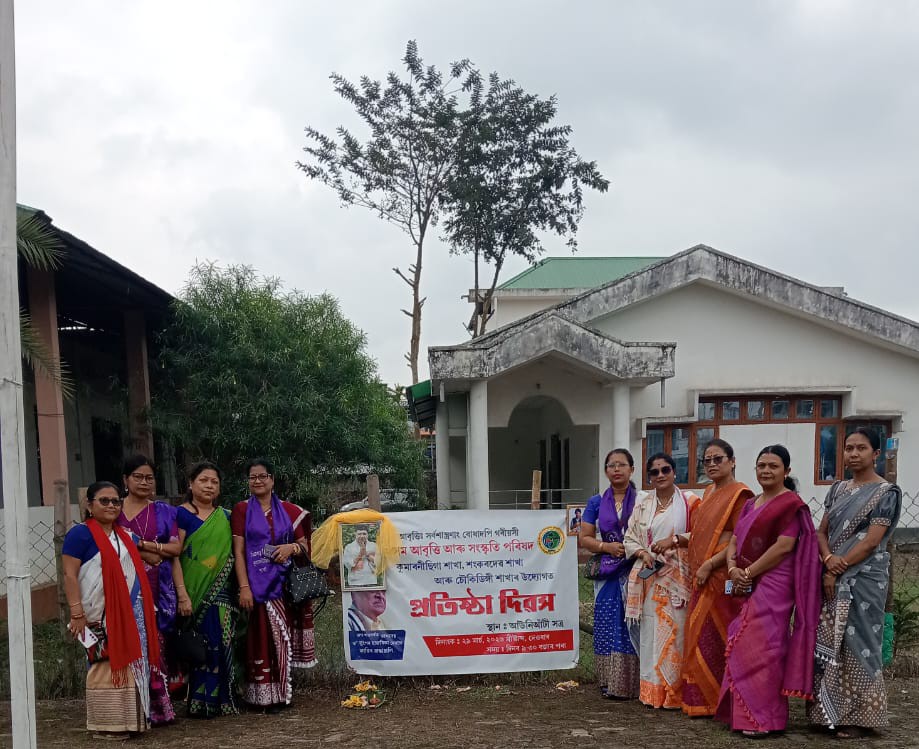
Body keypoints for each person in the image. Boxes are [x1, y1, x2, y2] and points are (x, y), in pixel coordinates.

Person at [716, 445, 821, 737]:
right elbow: (735, 540)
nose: (766, 471)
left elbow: (784, 546)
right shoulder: (752, 503)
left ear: (786, 471)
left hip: (775, 580)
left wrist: (748, 572)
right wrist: (733, 568)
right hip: (745, 576)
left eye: (773, 466)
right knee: (741, 639)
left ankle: (763, 719)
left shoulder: (790, 504)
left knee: (763, 646)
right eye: (761, 465)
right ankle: (744, 715)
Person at [808, 427, 902, 737]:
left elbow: (872, 541)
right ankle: (826, 713)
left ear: (875, 454)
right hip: (831, 574)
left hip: (864, 579)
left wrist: (838, 568)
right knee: (829, 641)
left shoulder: (886, 493)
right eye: (848, 448)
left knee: (860, 643)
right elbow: (821, 532)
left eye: (861, 448)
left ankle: (861, 717)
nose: (853, 454)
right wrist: (827, 560)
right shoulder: (837, 489)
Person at [62, 481, 161, 739]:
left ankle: (131, 722)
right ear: (89, 505)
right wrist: (76, 613)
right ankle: (107, 724)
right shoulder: (80, 535)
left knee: (132, 664)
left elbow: (153, 558)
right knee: (104, 664)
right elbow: (70, 575)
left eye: (116, 501)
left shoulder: (125, 536)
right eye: (104, 500)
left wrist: (156, 547)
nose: (111, 506)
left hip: (131, 613)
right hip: (97, 614)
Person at [232, 458, 317, 713]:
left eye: (262, 476)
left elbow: (304, 546)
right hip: (255, 586)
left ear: (272, 479)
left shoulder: (289, 511)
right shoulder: (242, 510)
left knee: (281, 638)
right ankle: (259, 697)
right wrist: (244, 587)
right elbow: (239, 552)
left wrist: (290, 548)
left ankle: (281, 695)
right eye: (252, 477)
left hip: (282, 587)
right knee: (257, 640)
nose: (257, 481)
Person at [681, 438, 755, 717]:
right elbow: (701, 533)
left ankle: (719, 701)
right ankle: (700, 699)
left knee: (718, 635)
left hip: (721, 574)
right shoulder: (709, 492)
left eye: (718, 459)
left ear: (732, 461)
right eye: (707, 460)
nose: (711, 464)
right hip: (701, 575)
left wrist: (709, 564)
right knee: (699, 635)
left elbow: (738, 539)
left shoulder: (741, 495)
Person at [624, 452, 699, 708]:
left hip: (678, 579)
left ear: (674, 472)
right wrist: (643, 553)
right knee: (651, 633)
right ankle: (652, 693)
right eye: (654, 472)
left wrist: (674, 541)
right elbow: (630, 538)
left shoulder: (690, 502)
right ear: (649, 477)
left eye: (665, 470)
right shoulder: (643, 504)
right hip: (650, 576)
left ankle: (674, 695)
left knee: (676, 634)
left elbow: (702, 533)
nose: (660, 475)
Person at [171, 461, 238, 718]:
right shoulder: (180, 515)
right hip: (191, 592)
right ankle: (198, 701)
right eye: (203, 480)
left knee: (221, 642)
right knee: (198, 646)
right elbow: (175, 556)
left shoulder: (227, 517)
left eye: (214, 482)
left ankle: (222, 699)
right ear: (190, 484)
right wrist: (182, 594)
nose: (209, 486)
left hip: (221, 593)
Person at [579, 448, 645, 699]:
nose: (616, 469)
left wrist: (632, 549)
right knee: (607, 622)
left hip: (636, 569)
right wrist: (606, 547)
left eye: (622, 464)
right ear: (606, 471)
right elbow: (584, 538)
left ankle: (636, 683)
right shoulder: (596, 502)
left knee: (634, 622)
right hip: (608, 571)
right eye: (611, 465)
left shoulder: (643, 501)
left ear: (632, 469)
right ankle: (611, 682)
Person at [116, 454, 178, 724]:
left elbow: (175, 548)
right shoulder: (112, 509)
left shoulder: (164, 511)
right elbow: (106, 542)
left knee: (154, 645)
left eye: (149, 478)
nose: (144, 482)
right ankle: (127, 708)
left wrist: (144, 545)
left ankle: (156, 709)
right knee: (125, 643)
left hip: (156, 588)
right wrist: (144, 553)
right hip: (119, 586)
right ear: (125, 480)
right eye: (138, 477)